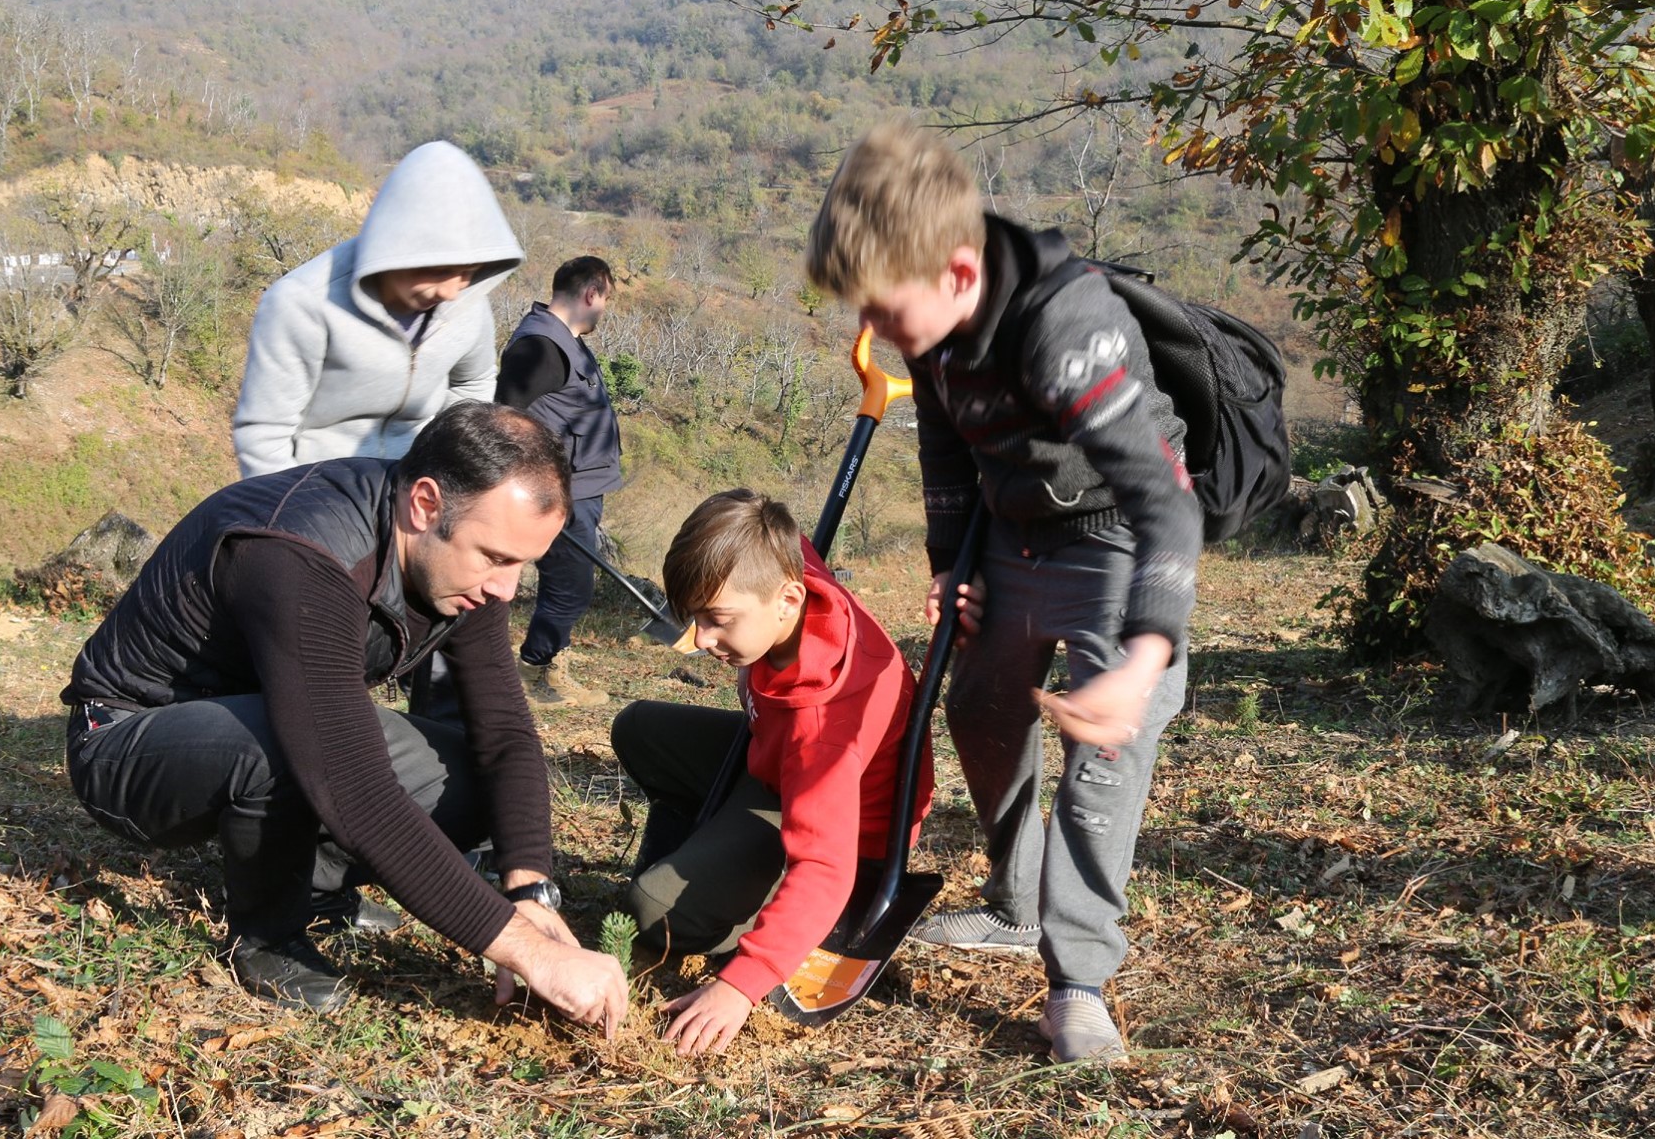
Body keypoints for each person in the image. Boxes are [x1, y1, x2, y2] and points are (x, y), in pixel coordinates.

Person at [804, 123, 1200, 1063]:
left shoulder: (1067, 331)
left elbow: (1164, 503)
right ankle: (1017, 900)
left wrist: (1145, 657)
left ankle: (1079, 979)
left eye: (891, 314)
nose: (884, 337)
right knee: (981, 710)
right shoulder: (932, 331)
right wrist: (952, 563)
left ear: (956, 271)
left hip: (1114, 534)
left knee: (1103, 755)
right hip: (1014, 531)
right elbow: (944, 441)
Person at [60, 402, 627, 1035]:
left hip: (264, 719)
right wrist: (528, 952)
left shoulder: (466, 563)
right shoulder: (300, 549)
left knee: (466, 776)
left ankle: (315, 888)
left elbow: (504, 730)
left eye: (524, 564)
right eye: (496, 558)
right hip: (130, 742)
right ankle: (266, 934)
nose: (506, 588)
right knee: (297, 746)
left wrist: (528, 888)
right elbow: (350, 782)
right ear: (425, 505)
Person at [611, 490, 927, 1056]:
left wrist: (741, 984)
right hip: (771, 760)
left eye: (718, 620)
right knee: (640, 729)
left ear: (787, 599)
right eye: (694, 617)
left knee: (651, 911)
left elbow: (827, 867)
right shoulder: (780, 566)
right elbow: (748, 520)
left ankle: (754, 907)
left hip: (831, 823)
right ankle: (711, 851)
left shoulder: (824, 727)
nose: (701, 640)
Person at [233, 141, 523, 478]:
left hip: (415, 488)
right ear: (397, 244)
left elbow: (473, 383)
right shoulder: (302, 304)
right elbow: (264, 436)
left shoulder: (467, 300)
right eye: (438, 270)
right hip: (318, 490)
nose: (450, 291)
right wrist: (291, 519)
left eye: (468, 272)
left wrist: (444, 471)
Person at [495, 256, 624, 709]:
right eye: (606, 299)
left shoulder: (562, 342)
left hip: (579, 487)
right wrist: (533, 480)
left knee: (565, 584)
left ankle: (549, 666)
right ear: (592, 293)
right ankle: (533, 670)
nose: (603, 310)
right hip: (559, 493)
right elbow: (504, 418)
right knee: (572, 586)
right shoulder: (541, 347)